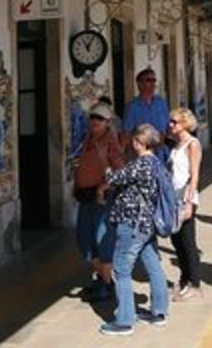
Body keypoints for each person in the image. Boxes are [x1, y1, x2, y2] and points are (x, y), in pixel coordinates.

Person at [100, 124, 169, 336]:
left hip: (131, 224)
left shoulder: (140, 165)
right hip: (147, 225)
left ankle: (125, 321)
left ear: (139, 142)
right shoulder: (157, 163)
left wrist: (106, 165)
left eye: (134, 140)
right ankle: (159, 311)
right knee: (152, 264)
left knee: (121, 269)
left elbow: (114, 178)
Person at [73, 103, 124, 302]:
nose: (95, 121)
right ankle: (104, 280)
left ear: (108, 122)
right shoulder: (88, 138)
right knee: (84, 239)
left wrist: (103, 187)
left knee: (101, 238)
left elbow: (120, 170)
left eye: (100, 118)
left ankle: (105, 283)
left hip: (102, 198)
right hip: (85, 195)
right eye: (93, 117)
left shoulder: (109, 142)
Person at [167, 108, 203, 301]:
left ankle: (195, 283)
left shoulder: (192, 144)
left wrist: (189, 200)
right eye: (171, 121)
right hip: (174, 195)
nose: (171, 125)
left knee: (188, 241)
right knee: (176, 240)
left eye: (175, 122)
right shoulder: (176, 144)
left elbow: (194, 173)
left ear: (184, 123)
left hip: (185, 196)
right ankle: (184, 277)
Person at [123, 68, 170, 162]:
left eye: (154, 80)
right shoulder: (132, 107)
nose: (153, 83)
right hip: (141, 156)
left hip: (160, 155)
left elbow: (167, 128)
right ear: (139, 84)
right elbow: (126, 134)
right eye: (149, 80)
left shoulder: (161, 104)